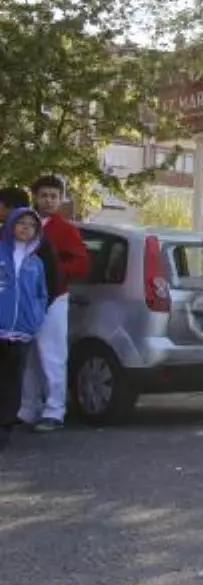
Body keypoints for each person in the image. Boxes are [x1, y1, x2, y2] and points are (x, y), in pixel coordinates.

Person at [20, 176, 89, 432]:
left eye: (53, 196)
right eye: (44, 195)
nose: (48, 200)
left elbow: (81, 263)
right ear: (35, 197)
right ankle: (28, 409)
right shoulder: (25, 224)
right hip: (26, 300)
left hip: (54, 298)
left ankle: (54, 410)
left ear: (61, 200)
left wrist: (52, 271)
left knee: (52, 354)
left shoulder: (65, 230)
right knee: (28, 357)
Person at [0, 208, 50, 450]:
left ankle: (5, 427)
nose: (25, 227)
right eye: (21, 223)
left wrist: (36, 319)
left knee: (12, 380)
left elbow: (41, 294)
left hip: (22, 332)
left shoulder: (36, 263)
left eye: (31, 225)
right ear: (10, 225)